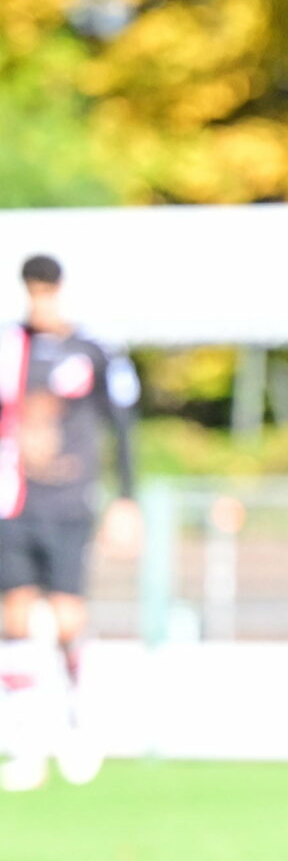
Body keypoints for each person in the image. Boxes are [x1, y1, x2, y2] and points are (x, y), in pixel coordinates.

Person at [0, 254, 141, 791]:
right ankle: (24, 741)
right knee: (15, 616)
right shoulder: (10, 346)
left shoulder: (95, 351)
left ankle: (80, 721)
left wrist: (125, 499)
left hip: (68, 503)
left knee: (65, 619)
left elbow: (123, 425)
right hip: (13, 502)